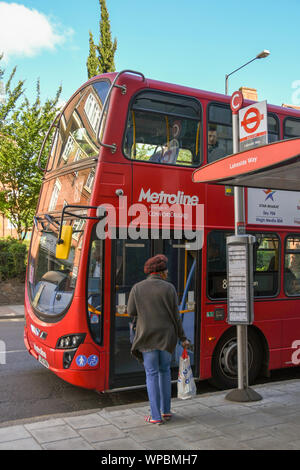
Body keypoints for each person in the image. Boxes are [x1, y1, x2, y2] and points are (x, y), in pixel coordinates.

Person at [127, 254, 190, 424]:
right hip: (166, 338)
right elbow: (176, 317)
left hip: (147, 338)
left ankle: (155, 416)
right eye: (166, 270)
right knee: (164, 372)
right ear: (160, 272)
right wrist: (182, 337)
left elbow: (130, 311)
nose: (167, 273)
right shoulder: (169, 288)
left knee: (151, 374)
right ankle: (166, 411)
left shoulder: (137, 288)